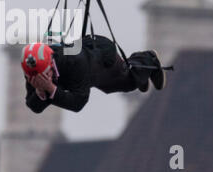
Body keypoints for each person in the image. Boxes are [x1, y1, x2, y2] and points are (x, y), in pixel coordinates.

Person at [21, 35, 167, 114]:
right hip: (84, 66)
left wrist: (51, 89)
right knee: (119, 85)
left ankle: (149, 59)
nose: (40, 79)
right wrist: (41, 91)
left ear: (51, 62)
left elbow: (78, 103)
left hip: (99, 58)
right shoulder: (32, 69)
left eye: (45, 74)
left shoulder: (75, 62)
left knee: (128, 84)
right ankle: (140, 74)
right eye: (34, 77)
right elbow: (34, 106)